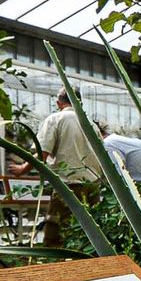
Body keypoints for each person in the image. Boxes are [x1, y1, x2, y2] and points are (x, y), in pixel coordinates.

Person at [36, 89, 103, 247]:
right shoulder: (91, 124)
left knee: (56, 234)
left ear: (58, 103)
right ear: (80, 103)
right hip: (93, 188)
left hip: (69, 187)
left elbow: (42, 154)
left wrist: (22, 168)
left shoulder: (56, 119)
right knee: (88, 239)